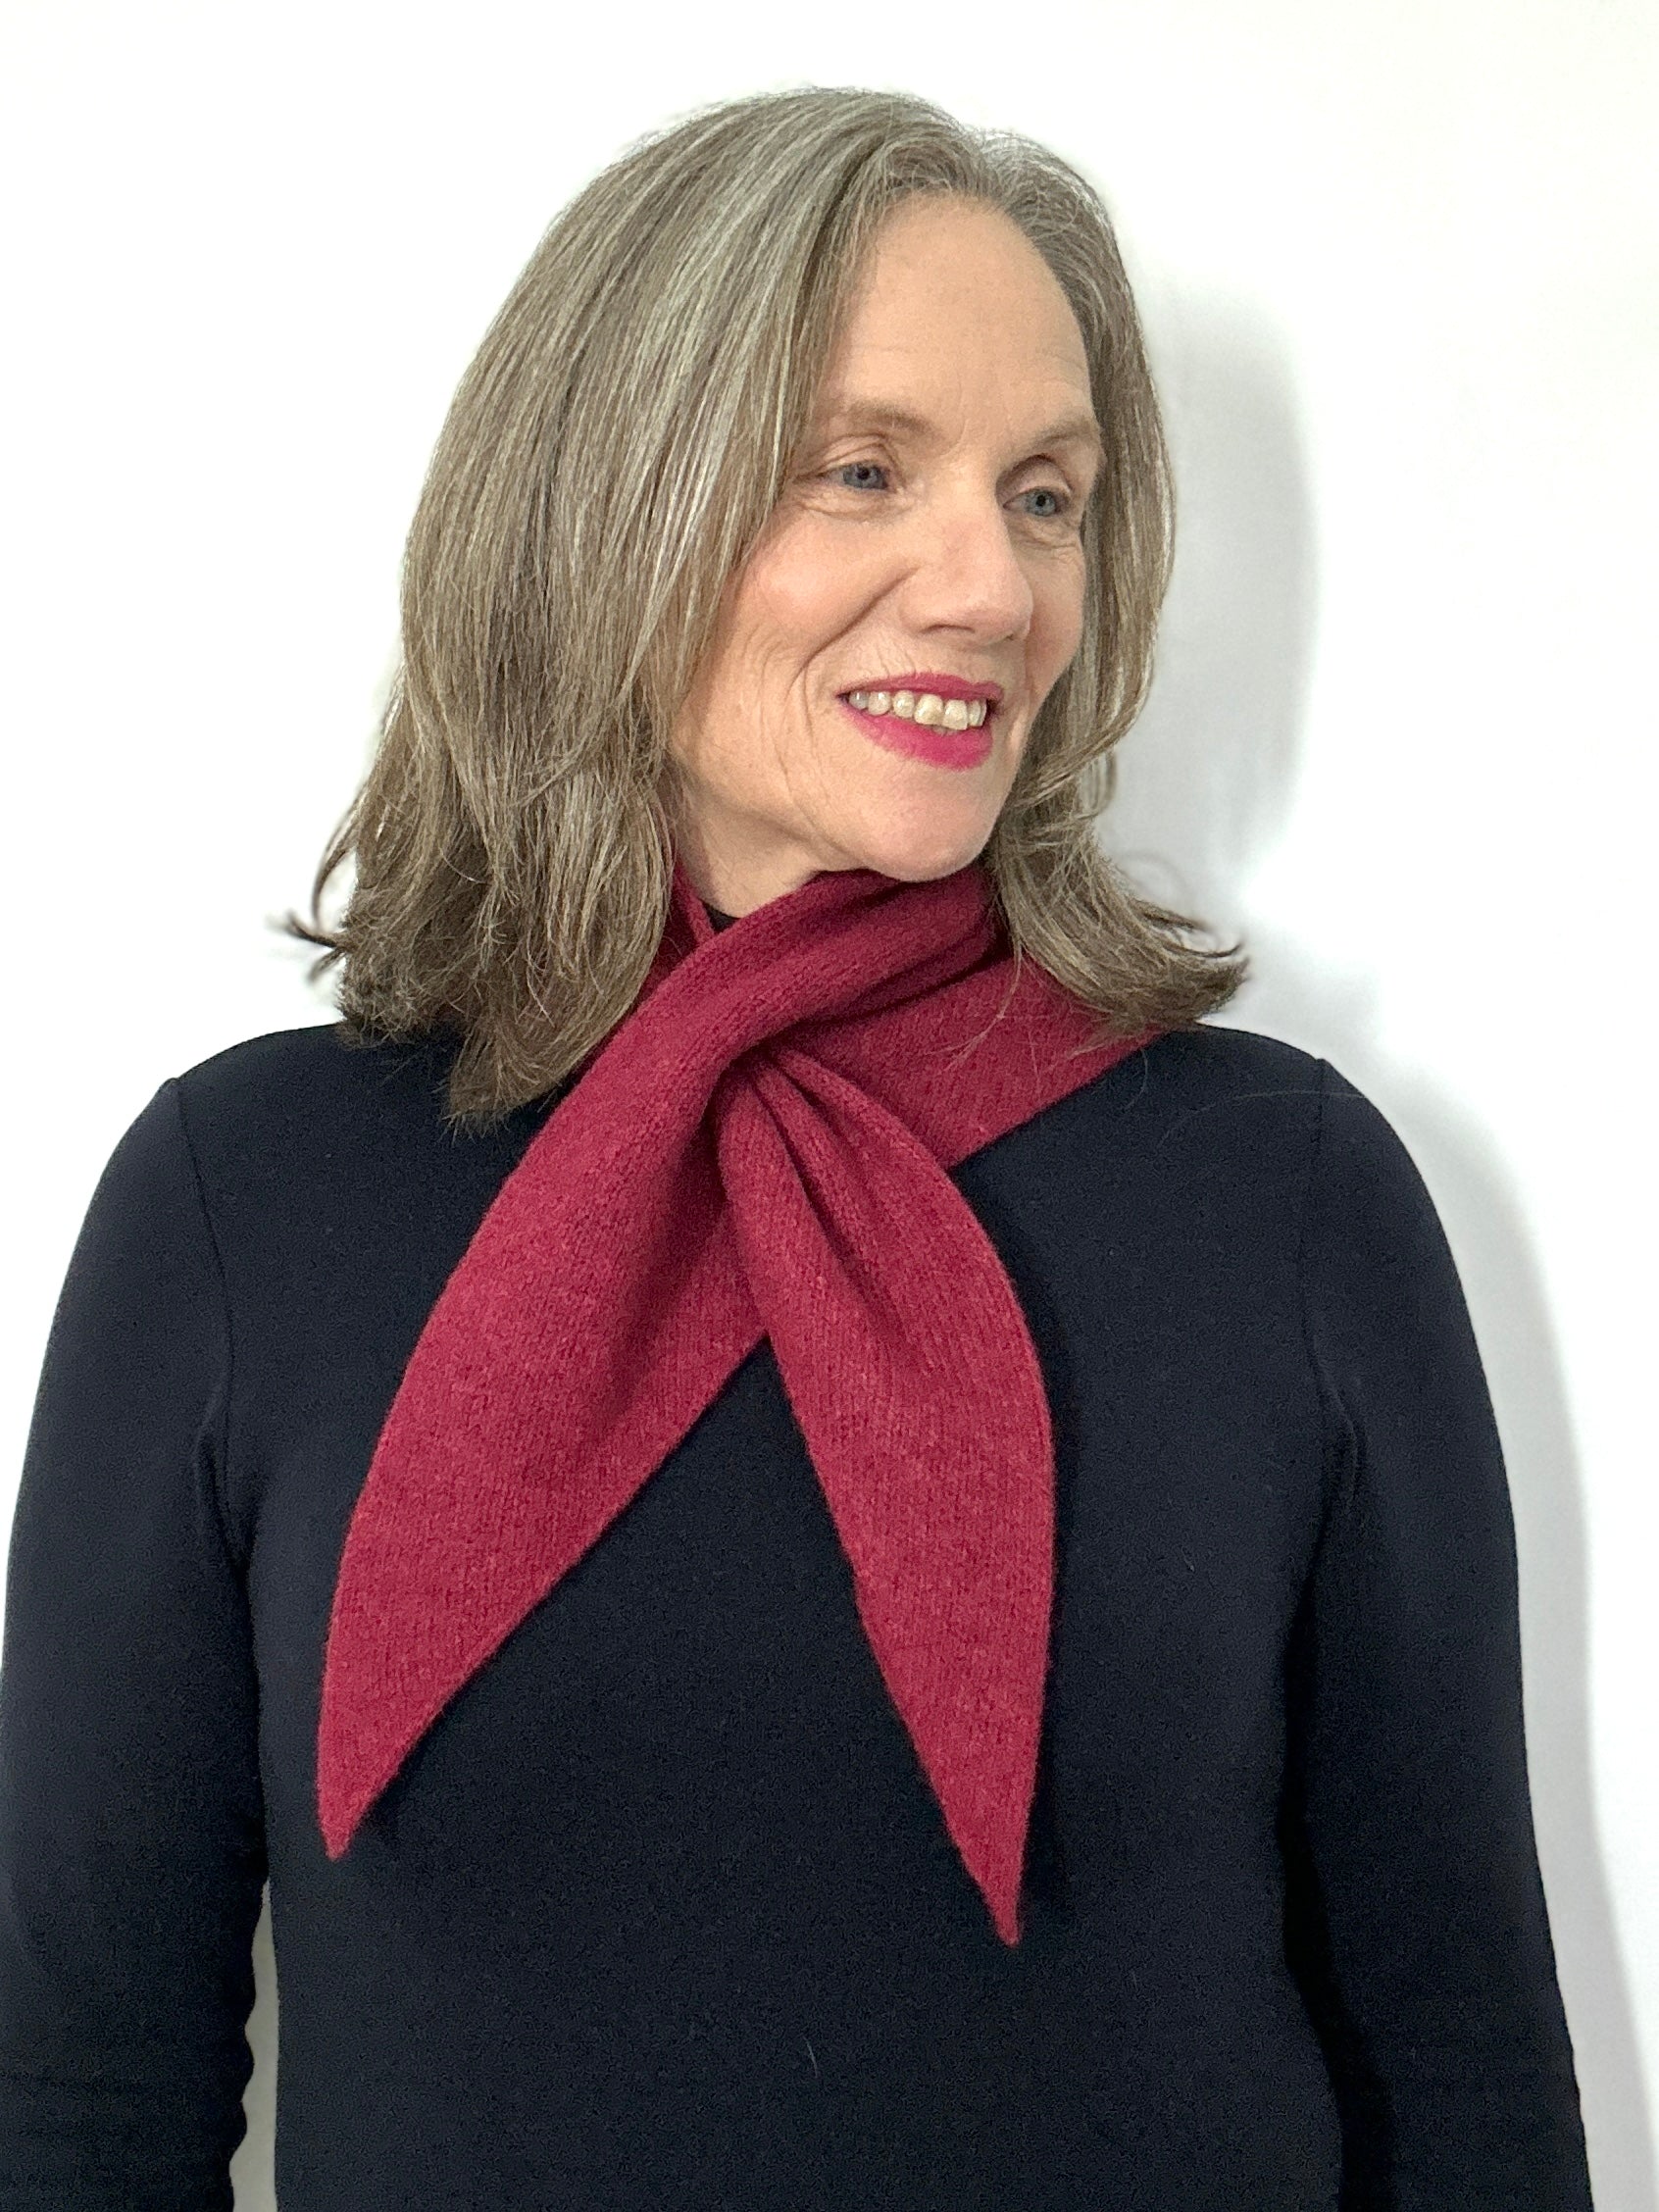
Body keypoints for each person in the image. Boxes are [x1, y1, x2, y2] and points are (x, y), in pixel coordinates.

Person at [0, 83, 1595, 2212]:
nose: (994, 587)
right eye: (863, 470)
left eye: (1048, 495)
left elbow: (1463, 2075)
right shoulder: (244, 1205)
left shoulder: (1287, 1194)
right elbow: (81, 2102)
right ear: (605, 505)